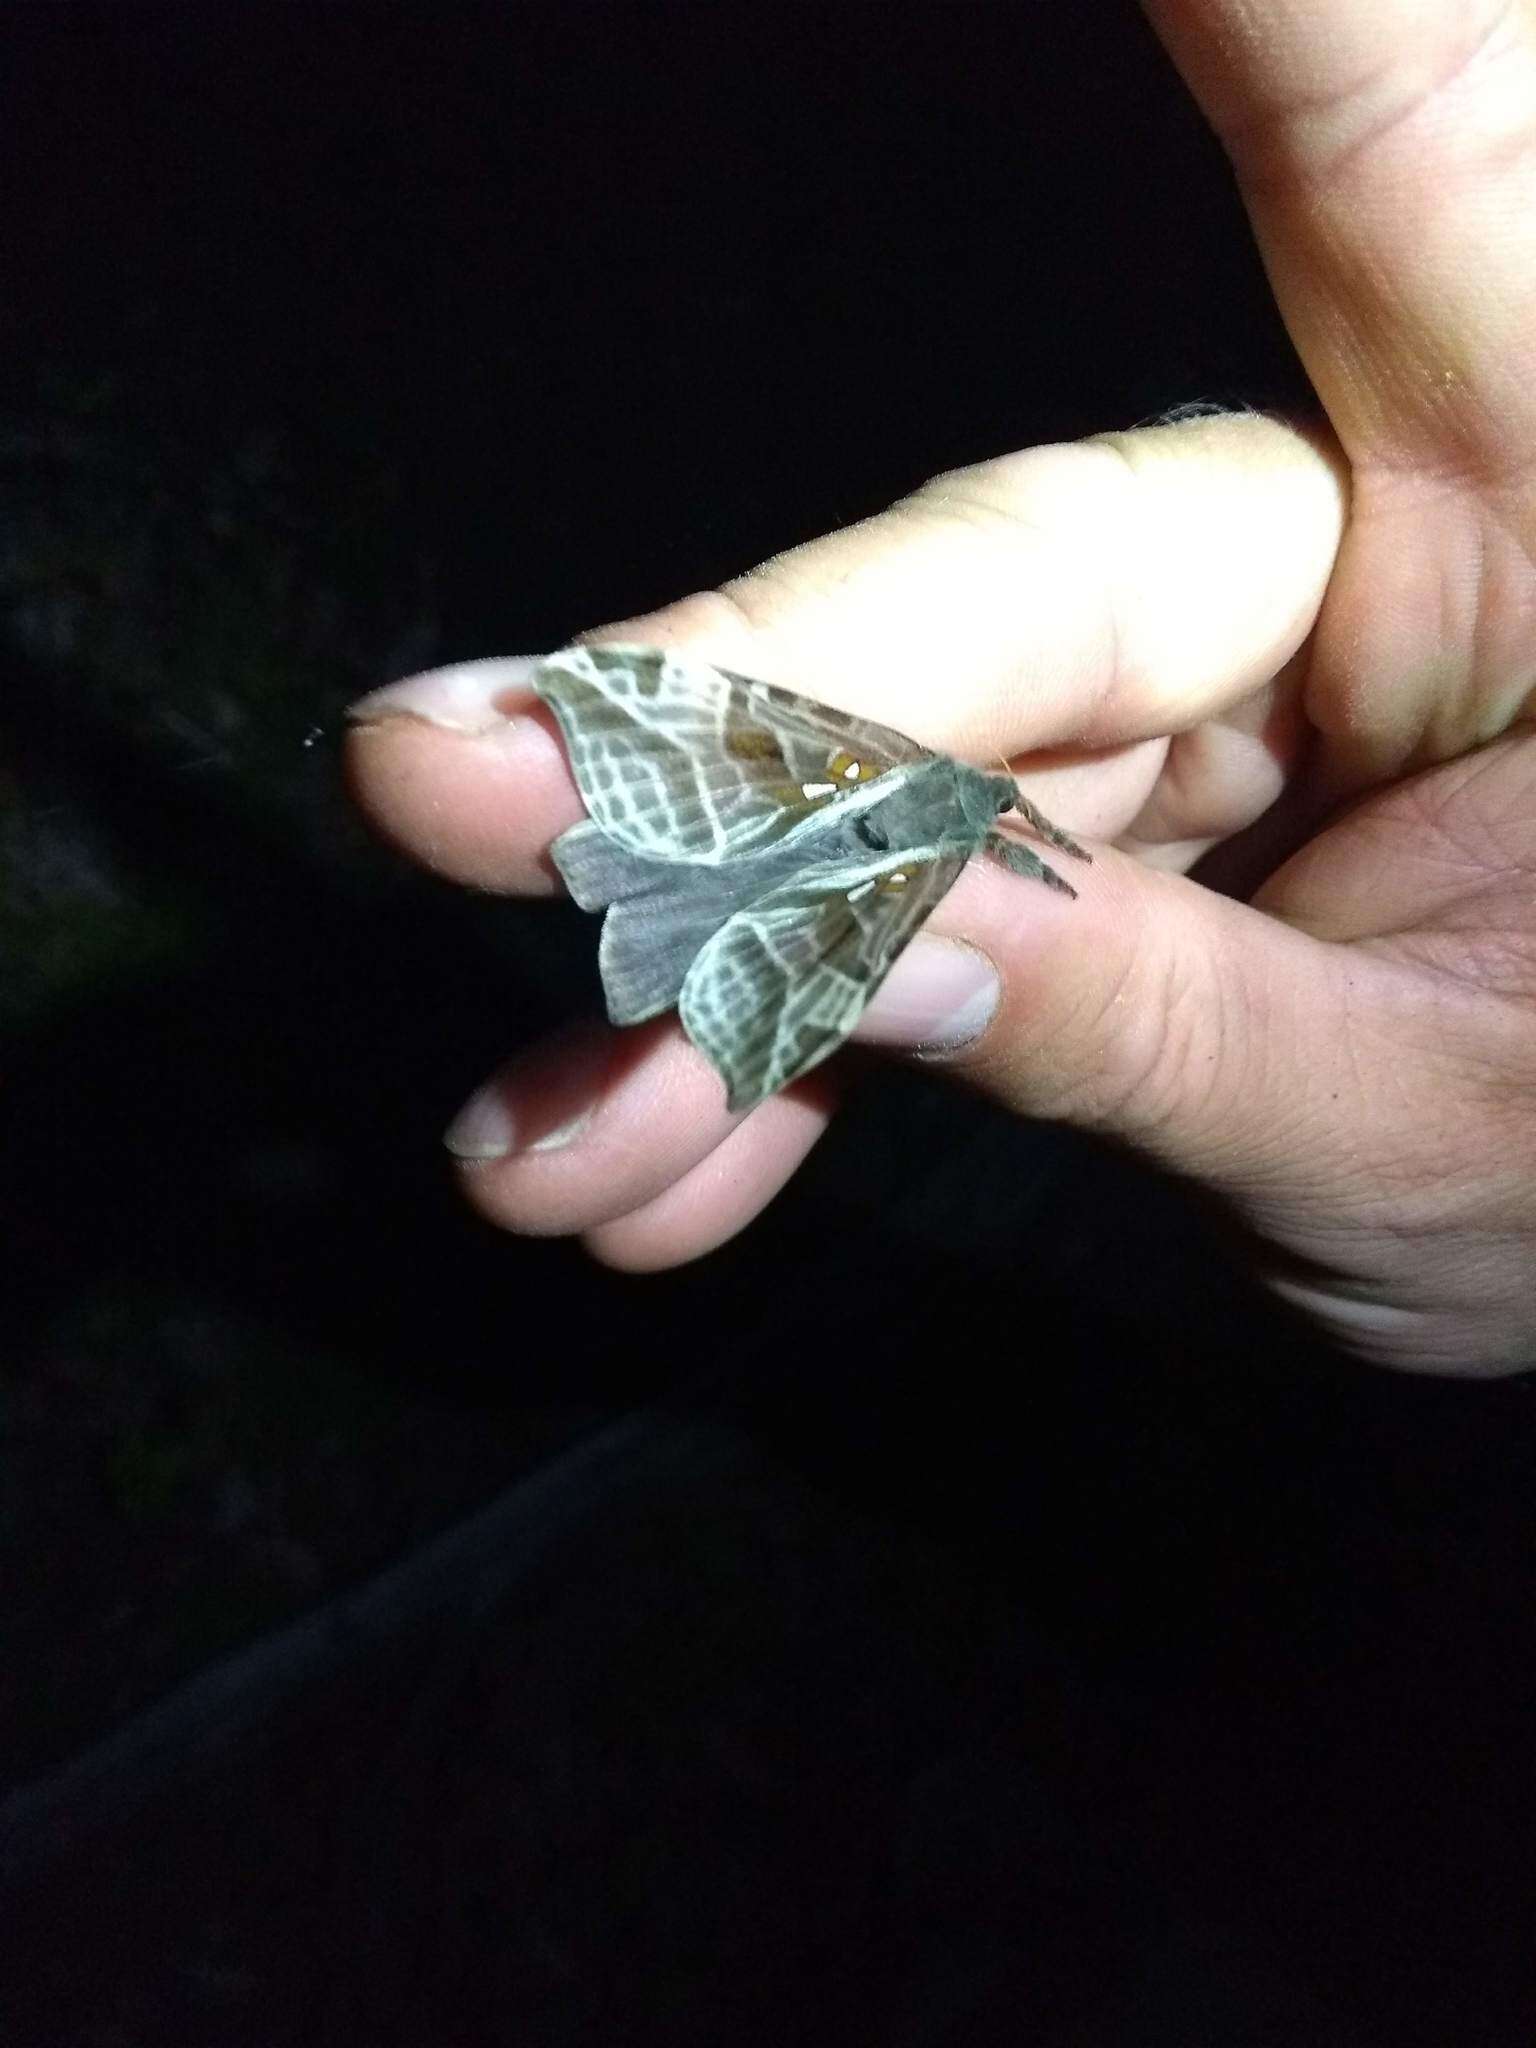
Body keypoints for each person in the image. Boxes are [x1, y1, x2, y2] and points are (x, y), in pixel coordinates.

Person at [347, 0, 1536, 1376]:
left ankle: (665, 893)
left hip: (832, 829)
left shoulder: (939, 808)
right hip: (838, 841)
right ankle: (665, 892)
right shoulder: (944, 801)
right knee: (735, 851)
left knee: (755, 853)